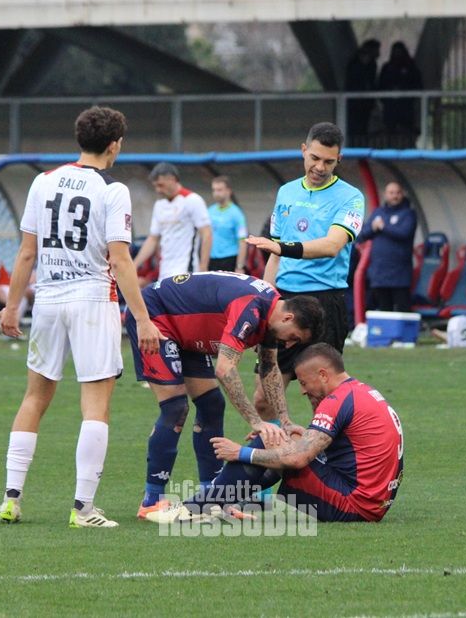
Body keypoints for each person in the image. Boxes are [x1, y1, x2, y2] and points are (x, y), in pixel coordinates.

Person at [0, 105, 163, 528]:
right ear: (114, 145)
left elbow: (27, 252)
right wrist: (143, 319)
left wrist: (12, 306)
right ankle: (82, 508)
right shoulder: (113, 190)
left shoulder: (43, 181)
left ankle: (11, 499)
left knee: (34, 397)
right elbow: (120, 259)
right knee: (95, 406)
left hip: (48, 300)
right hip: (92, 300)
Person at [125, 271, 324, 523]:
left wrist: (284, 420)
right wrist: (256, 422)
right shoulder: (250, 307)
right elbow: (225, 368)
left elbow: (268, 367)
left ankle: (212, 500)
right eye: (294, 337)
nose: (289, 344)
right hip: (157, 316)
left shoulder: (271, 313)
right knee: (175, 407)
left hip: (186, 330)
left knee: (212, 405)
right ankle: (151, 501)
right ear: (288, 317)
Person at [189, 343, 403, 523]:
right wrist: (297, 436)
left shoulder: (336, 400)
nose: (302, 390)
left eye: (303, 382)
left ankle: (198, 506)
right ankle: (219, 502)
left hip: (353, 505)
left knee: (273, 439)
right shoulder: (360, 391)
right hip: (373, 503)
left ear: (323, 375)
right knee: (283, 438)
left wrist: (240, 453)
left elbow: (298, 459)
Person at [246, 122, 365, 419]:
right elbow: (274, 256)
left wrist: (283, 247)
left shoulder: (351, 197)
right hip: (285, 302)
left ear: (339, 160)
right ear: (303, 150)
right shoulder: (286, 192)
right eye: (314, 158)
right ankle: (276, 447)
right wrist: (264, 305)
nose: (320, 167)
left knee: (323, 397)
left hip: (326, 301)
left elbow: (332, 245)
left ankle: (325, 448)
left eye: (329, 161)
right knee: (263, 398)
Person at [132, 162, 213, 280]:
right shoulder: (159, 204)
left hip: (186, 270)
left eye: (161, 185)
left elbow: (206, 234)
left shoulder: (192, 200)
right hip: (165, 271)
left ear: (172, 179)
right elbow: (153, 239)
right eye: (155, 186)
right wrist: (134, 265)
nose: (158, 190)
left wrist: (203, 267)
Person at [356, 181, 417, 312]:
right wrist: (374, 228)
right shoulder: (378, 212)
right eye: (391, 193)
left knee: (403, 309)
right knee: (384, 309)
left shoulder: (408, 214)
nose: (395, 196)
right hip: (379, 273)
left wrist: (383, 227)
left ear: (402, 194)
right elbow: (362, 235)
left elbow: (404, 233)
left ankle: (404, 327)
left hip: (400, 273)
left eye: (398, 193)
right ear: (385, 194)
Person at [378, 41, 423, 149]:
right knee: (390, 132)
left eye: (399, 51)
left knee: (407, 132)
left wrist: (404, 91)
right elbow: (381, 86)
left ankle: (409, 150)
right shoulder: (387, 67)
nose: (397, 54)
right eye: (395, 52)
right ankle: (389, 152)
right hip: (390, 108)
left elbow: (417, 85)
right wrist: (390, 94)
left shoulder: (411, 67)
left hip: (406, 108)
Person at [206, 175, 248, 273]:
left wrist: (239, 266)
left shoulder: (237, 214)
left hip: (229, 259)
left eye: (219, 190)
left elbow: (242, 241)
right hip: (211, 260)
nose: (216, 193)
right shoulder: (209, 211)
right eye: (214, 190)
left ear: (228, 191)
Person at [344, 39, 381, 147]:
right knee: (354, 129)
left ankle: (362, 147)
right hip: (355, 104)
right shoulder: (354, 64)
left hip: (366, 104)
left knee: (364, 129)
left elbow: (372, 83)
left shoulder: (372, 65)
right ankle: (353, 148)